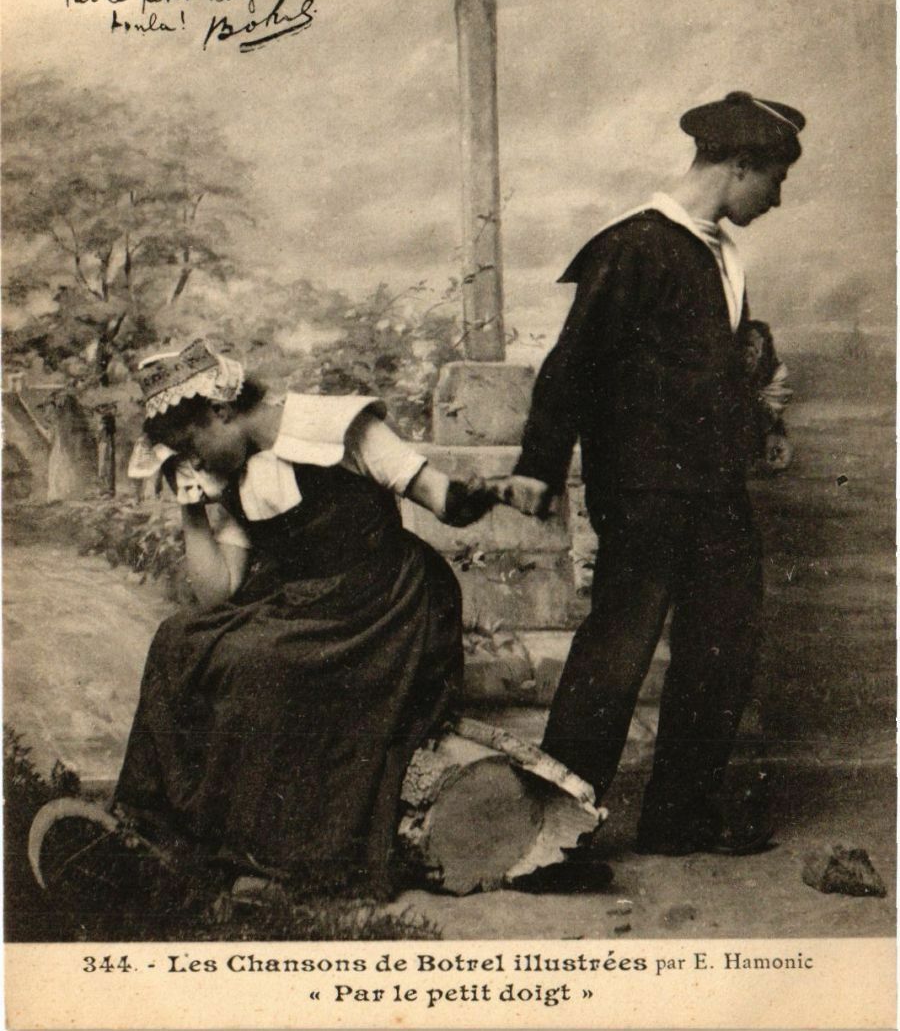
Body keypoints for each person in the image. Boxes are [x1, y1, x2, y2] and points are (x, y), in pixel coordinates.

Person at [502, 89, 805, 855]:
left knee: (722, 643)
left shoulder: (719, 254)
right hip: (644, 491)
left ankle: (680, 816)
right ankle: (552, 836)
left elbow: (711, 371)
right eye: (775, 179)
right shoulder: (633, 245)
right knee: (617, 650)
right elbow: (573, 363)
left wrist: (763, 424)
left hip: (714, 491)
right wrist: (539, 464)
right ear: (741, 165)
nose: (777, 198)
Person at [109, 339, 497, 897]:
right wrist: (191, 506)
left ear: (221, 410)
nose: (193, 463)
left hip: (386, 601)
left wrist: (492, 492)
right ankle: (156, 830)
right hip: (307, 603)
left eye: (190, 446)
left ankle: (272, 858)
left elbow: (441, 497)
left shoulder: (336, 428)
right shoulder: (235, 472)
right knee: (179, 639)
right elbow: (218, 595)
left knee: (260, 662)